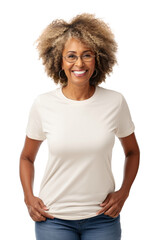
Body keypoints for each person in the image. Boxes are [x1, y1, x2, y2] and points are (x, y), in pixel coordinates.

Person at [19, 13, 140, 240]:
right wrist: (28, 197)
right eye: (71, 56)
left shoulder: (115, 102)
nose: (79, 63)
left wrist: (124, 193)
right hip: (54, 219)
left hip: (103, 218)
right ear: (59, 61)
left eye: (87, 55)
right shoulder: (43, 104)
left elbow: (132, 152)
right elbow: (27, 157)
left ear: (98, 58)